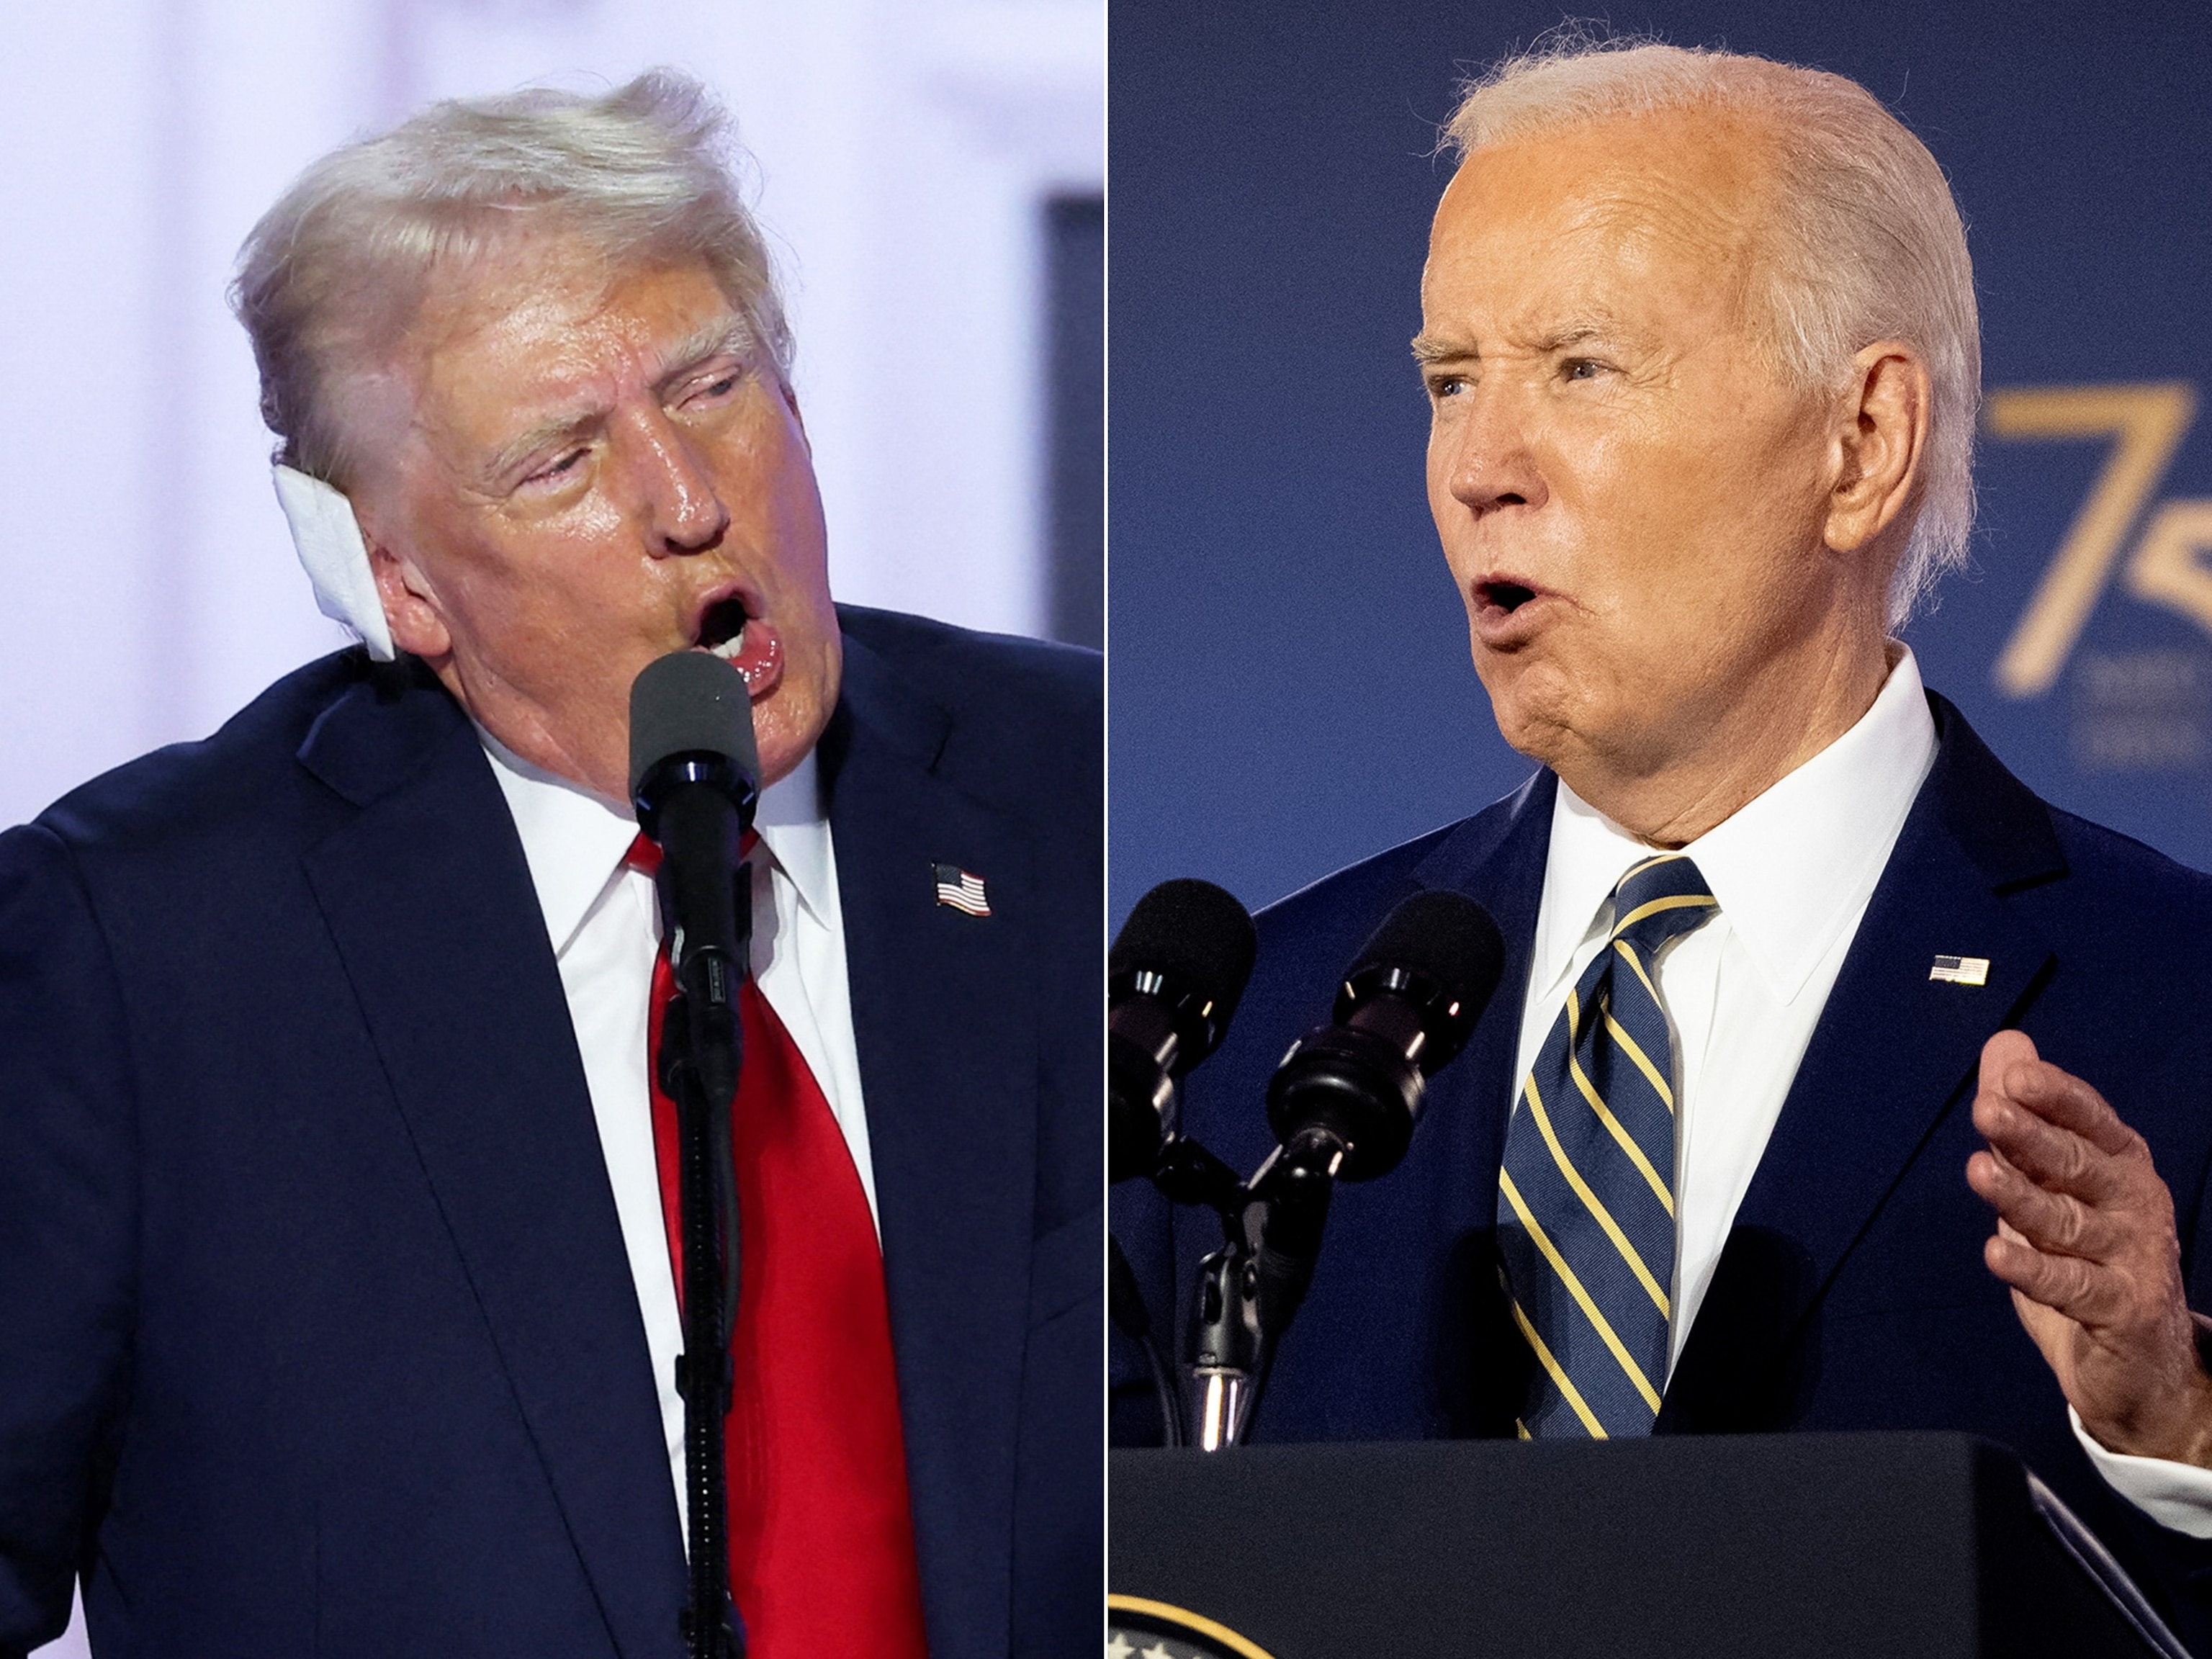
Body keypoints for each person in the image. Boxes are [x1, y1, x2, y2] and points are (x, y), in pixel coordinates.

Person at [1112, 35, 2212, 1644]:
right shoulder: (1242, 1055)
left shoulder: (2174, 1005)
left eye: (1580, 369)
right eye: (1448, 381)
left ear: (1862, 445)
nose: (1481, 470)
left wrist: (2178, 1434)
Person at [0, 73, 1099, 1659]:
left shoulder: (1074, 789)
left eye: (712, 385)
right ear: (401, 580)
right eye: (561, 462)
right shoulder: (138, 954)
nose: (689, 502)